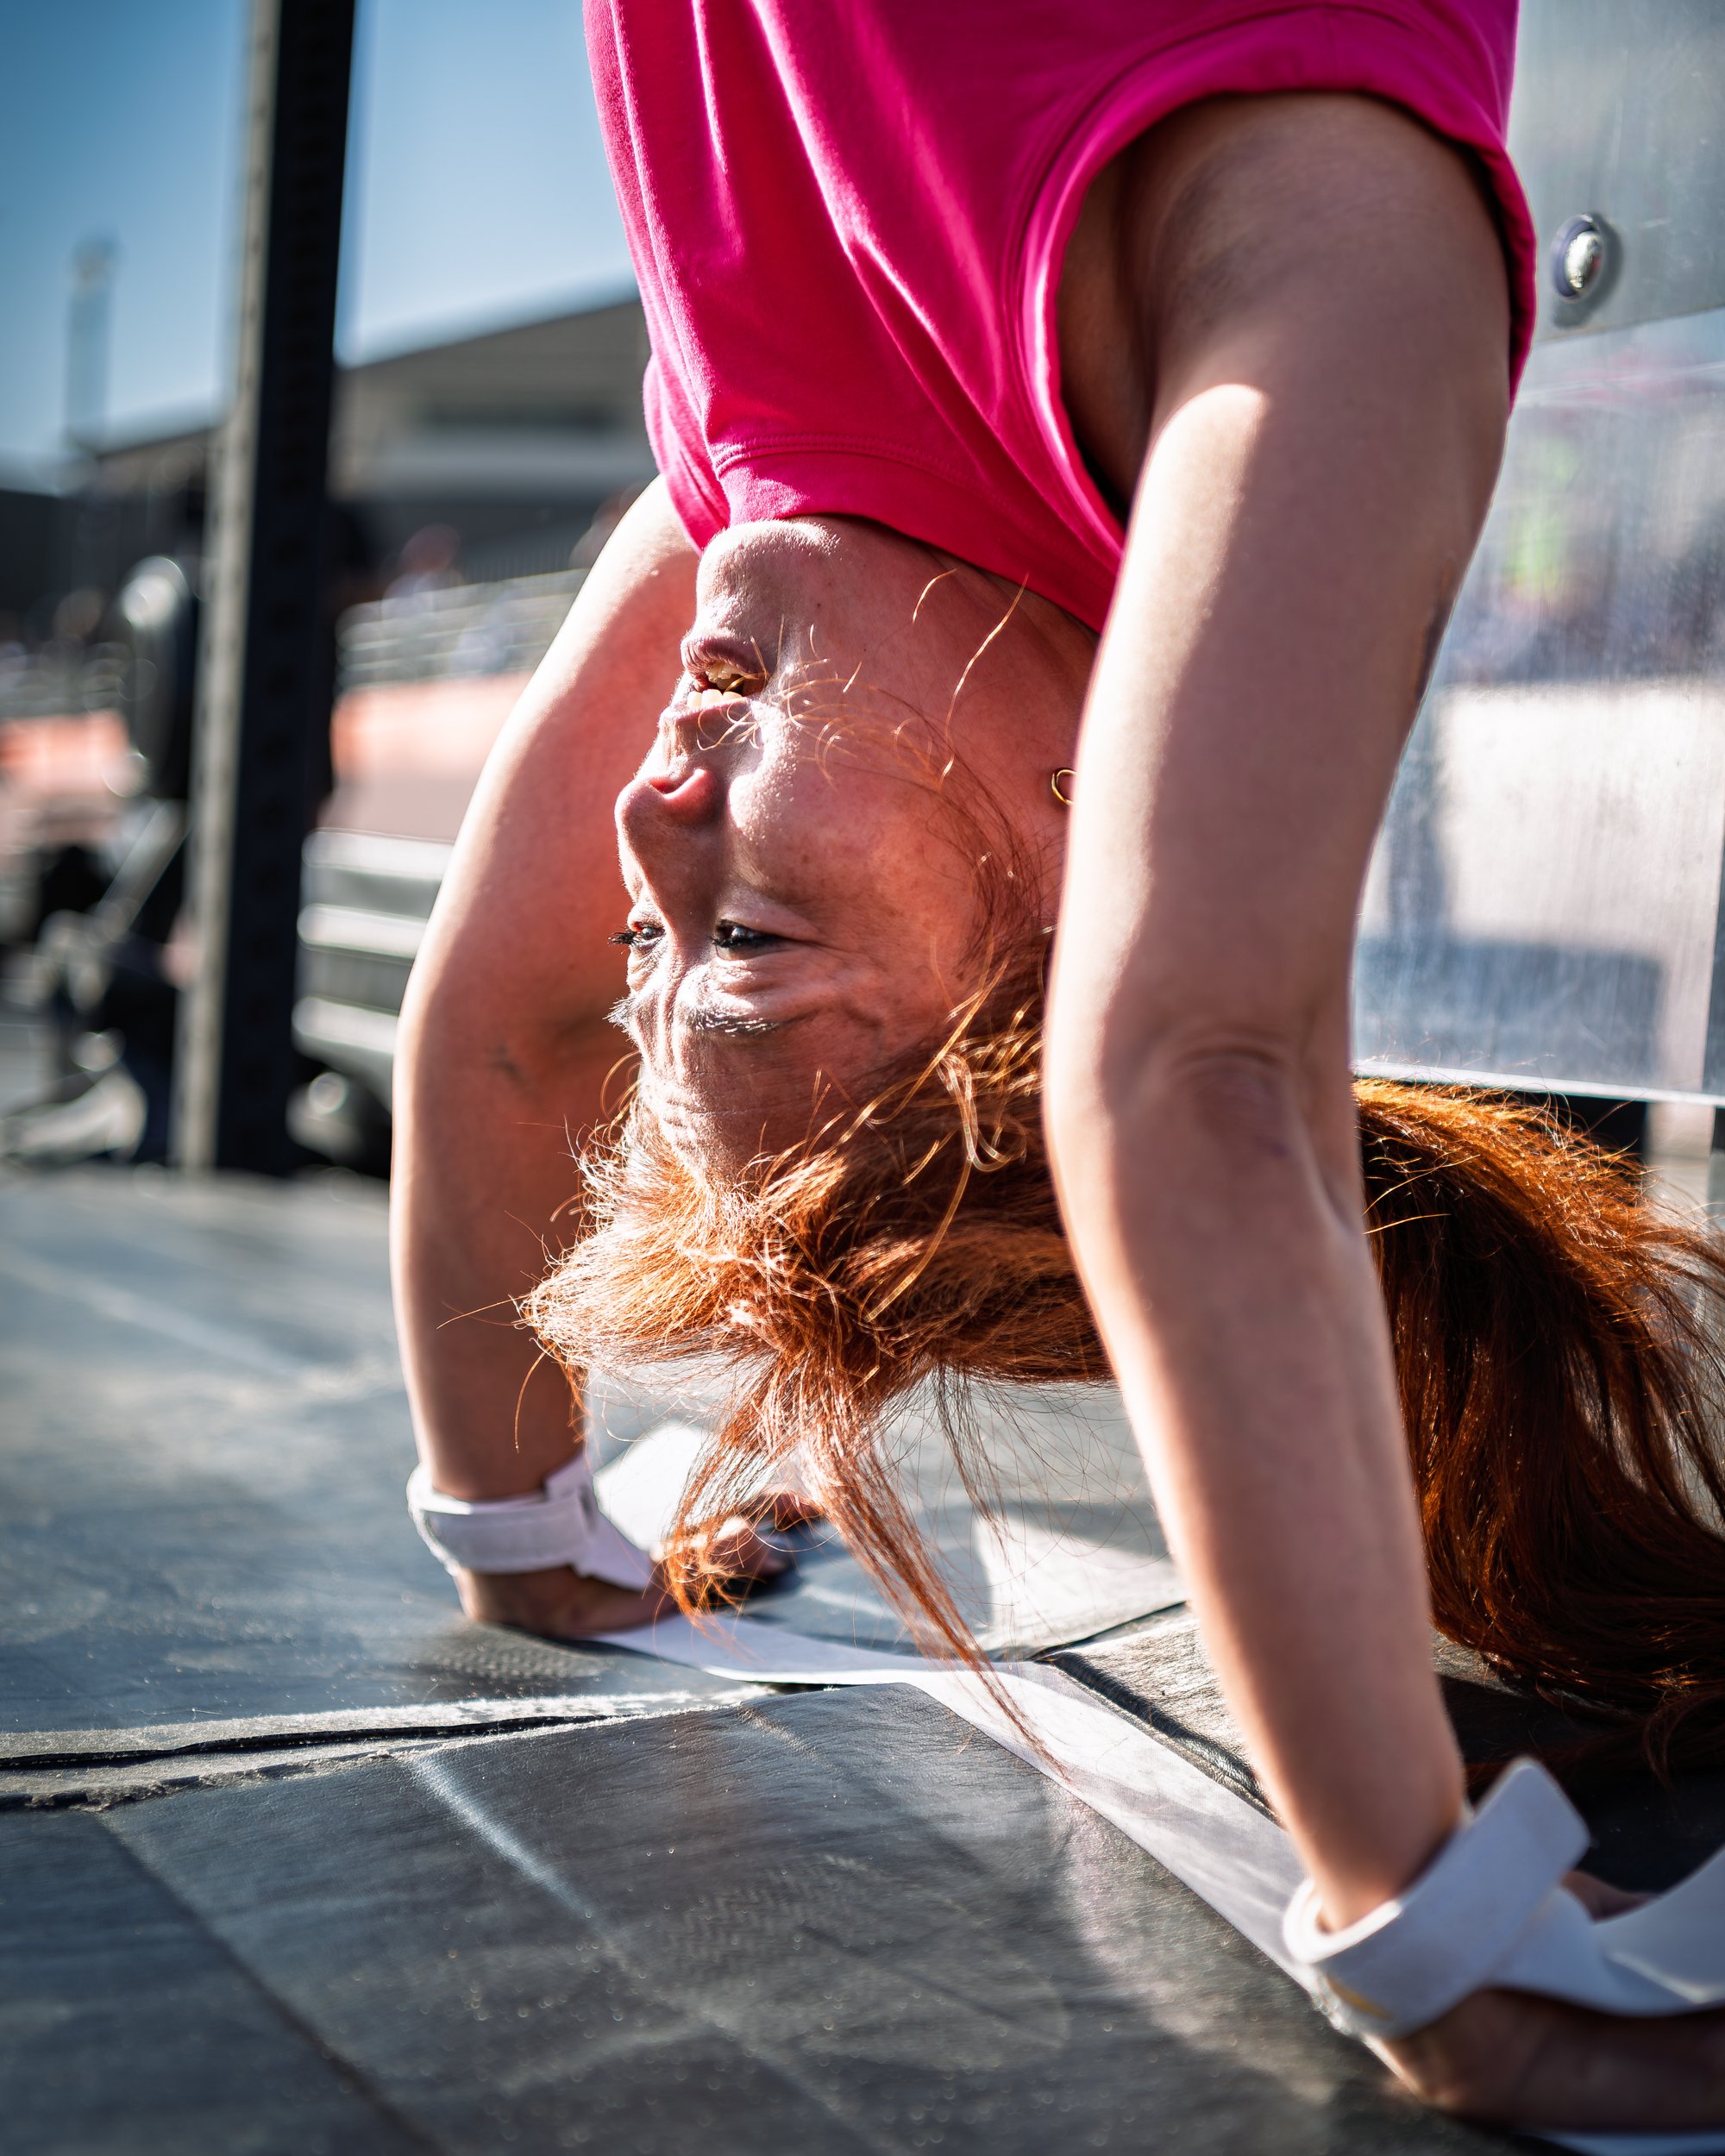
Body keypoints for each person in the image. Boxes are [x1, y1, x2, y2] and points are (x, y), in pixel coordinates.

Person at [392, 1, 1725, 2128]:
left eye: (659, 943)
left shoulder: (763, 468)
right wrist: (1440, 1945)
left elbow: (500, 1024)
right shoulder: (1318, 294)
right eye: (747, 936)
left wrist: (523, 1527)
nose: (645, 820)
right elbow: (1193, 1066)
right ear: (1076, 871)